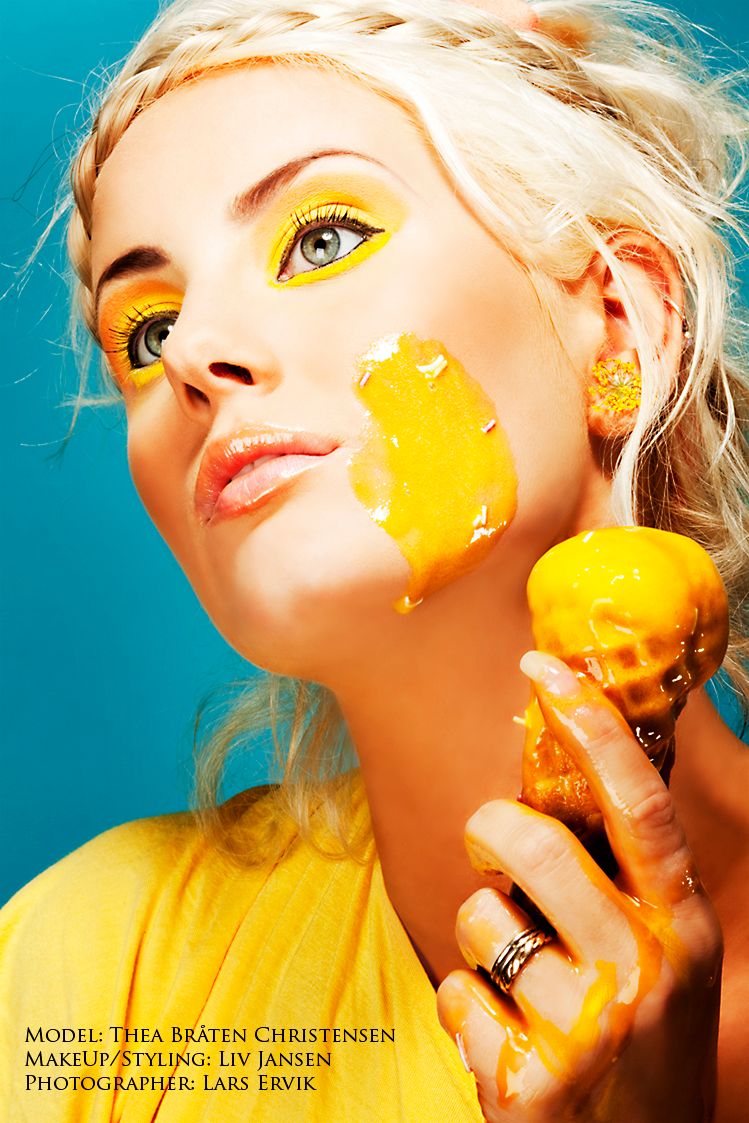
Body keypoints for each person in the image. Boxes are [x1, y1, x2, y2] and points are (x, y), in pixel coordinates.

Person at [2, 0, 749, 1119]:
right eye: (146, 331)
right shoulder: (93, 973)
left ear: (619, 319)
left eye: (322, 239)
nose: (192, 352)